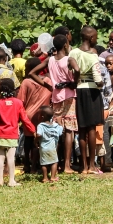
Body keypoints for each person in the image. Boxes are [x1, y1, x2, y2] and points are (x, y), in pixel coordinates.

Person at [29, 34, 79, 173]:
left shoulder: (49, 60)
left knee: (56, 131)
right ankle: (67, 165)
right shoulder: (69, 59)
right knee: (69, 131)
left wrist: (48, 86)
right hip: (69, 97)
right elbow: (78, 69)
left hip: (56, 97)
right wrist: (74, 82)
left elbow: (32, 73)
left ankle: (55, 164)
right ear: (65, 45)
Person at [70, 25, 105, 175]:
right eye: (95, 37)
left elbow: (71, 71)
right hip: (92, 92)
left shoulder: (73, 52)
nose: (96, 39)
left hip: (78, 89)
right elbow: (98, 79)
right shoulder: (93, 56)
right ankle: (91, 165)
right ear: (91, 38)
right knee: (91, 128)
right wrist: (102, 83)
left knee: (82, 128)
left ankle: (83, 166)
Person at [0, 78, 36, 186]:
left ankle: (0, 181)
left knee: (0, 157)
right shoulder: (18, 103)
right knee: (11, 157)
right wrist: (33, 130)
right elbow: (25, 119)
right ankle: (11, 181)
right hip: (12, 134)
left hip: (0, 133)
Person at [17, 57, 52, 173]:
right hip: (44, 115)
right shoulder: (47, 81)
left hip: (29, 115)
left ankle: (27, 163)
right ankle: (37, 165)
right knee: (40, 140)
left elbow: (20, 100)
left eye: (26, 68)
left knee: (28, 139)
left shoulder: (26, 82)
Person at [34, 106, 62, 182]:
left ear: (42, 116)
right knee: (54, 162)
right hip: (53, 148)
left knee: (44, 163)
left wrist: (35, 141)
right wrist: (59, 123)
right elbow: (61, 132)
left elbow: (39, 135)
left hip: (43, 148)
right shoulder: (55, 126)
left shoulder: (41, 125)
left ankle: (45, 178)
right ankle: (53, 177)